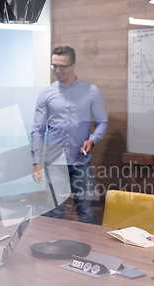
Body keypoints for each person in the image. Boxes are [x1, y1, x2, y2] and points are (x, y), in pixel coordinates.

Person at [31, 46, 108, 224]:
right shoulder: (46, 94)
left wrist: (92, 140)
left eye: (62, 66)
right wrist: (36, 161)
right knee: (54, 213)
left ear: (73, 65)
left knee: (85, 212)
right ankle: (51, 249)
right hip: (54, 162)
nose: (58, 71)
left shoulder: (91, 91)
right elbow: (38, 129)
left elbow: (102, 122)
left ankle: (87, 250)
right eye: (54, 66)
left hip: (81, 161)